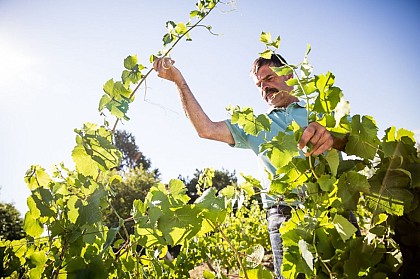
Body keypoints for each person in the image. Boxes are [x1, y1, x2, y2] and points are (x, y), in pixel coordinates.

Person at [153, 53, 348, 278]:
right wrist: (179, 81)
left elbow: (353, 143)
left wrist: (332, 137)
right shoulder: (255, 125)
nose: (264, 87)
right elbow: (205, 129)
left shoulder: (319, 110)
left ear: (289, 76)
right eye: (259, 84)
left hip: (334, 207)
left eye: (269, 78)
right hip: (284, 214)